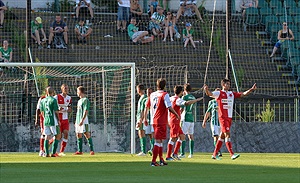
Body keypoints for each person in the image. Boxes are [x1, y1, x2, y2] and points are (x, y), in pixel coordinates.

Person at [203, 78, 256, 160]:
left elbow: (242, 94)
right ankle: (232, 154)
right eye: (227, 84)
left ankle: (214, 154)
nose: (228, 85)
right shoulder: (219, 93)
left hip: (229, 118)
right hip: (223, 118)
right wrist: (206, 90)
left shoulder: (231, 94)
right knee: (228, 134)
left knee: (222, 136)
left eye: (229, 84)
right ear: (223, 85)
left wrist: (251, 90)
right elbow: (209, 94)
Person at [144, 78, 180, 166]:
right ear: (165, 85)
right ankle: (153, 161)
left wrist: (145, 118)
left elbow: (147, 107)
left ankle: (161, 160)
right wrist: (176, 114)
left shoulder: (152, 94)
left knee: (159, 141)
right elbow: (169, 107)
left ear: (157, 85)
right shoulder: (165, 94)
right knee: (157, 141)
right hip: (161, 120)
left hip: (154, 120)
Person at [166, 85, 203, 161]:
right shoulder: (178, 99)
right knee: (173, 138)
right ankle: (168, 156)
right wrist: (197, 100)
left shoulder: (171, 98)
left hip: (174, 120)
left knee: (182, 136)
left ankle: (175, 153)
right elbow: (186, 103)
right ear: (181, 92)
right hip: (174, 120)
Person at [39, 87, 61, 157]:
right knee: (57, 136)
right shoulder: (53, 100)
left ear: (46, 92)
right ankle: (53, 153)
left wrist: (45, 118)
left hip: (46, 121)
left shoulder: (43, 100)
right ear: (53, 92)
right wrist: (58, 120)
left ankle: (47, 153)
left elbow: (42, 112)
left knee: (47, 136)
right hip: (53, 121)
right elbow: (56, 111)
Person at [179, 83, 199, 158]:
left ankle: (182, 153)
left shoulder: (184, 97)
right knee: (191, 136)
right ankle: (191, 153)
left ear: (184, 89)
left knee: (182, 135)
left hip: (185, 117)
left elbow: (181, 108)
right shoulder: (193, 97)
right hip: (191, 118)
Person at [74, 86, 95, 155]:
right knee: (78, 134)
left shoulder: (85, 100)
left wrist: (82, 120)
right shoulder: (79, 101)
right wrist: (76, 121)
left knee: (86, 134)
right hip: (78, 120)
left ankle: (92, 150)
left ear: (80, 91)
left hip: (84, 120)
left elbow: (86, 110)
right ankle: (80, 151)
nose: (77, 92)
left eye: (77, 91)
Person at [202, 90, 222, 157]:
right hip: (214, 122)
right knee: (215, 137)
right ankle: (218, 151)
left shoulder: (223, 101)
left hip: (221, 123)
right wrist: (204, 121)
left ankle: (217, 150)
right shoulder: (212, 102)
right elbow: (208, 112)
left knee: (220, 138)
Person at [54, 84, 72, 156]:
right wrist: (58, 109)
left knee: (66, 133)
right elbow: (54, 107)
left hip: (65, 119)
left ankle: (61, 151)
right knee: (58, 136)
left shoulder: (69, 98)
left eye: (67, 88)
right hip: (58, 119)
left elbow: (70, 109)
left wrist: (66, 109)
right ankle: (48, 145)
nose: (66, 89)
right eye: (65, 88)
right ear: (61, 89)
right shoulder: (56, 97)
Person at [136, 84, 148, 156]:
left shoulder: (144, 98)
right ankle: (143, 150)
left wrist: (141, 119)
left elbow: (143, 110)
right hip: (140, 117)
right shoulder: (142, 97)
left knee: (141, 132)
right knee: (140, 132)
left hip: (141, 118)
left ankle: (143, 151)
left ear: (139, 89)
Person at [144, 87, 155, 156]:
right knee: (150, 134)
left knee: (153, 134)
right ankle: (153, 147)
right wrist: (145, 118)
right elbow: (146, 109)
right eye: (148, 92)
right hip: (149, 119)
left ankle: (152, 149)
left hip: (154, 120)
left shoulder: (154, 98)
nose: (149, 93)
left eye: (150, 92)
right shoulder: (148, 99)